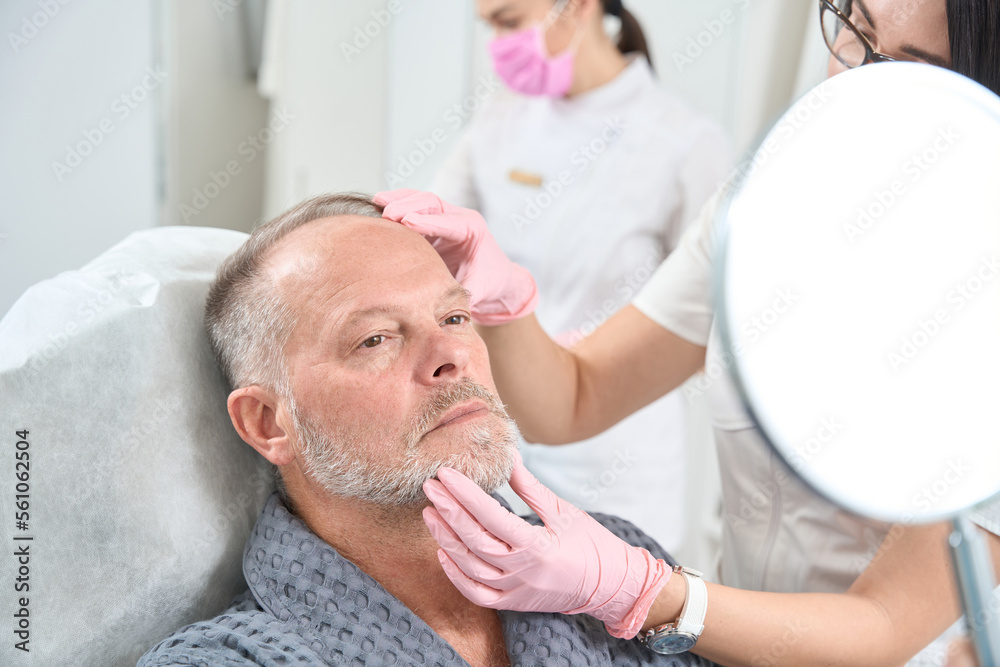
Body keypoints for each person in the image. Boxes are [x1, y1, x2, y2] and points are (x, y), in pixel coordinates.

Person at [371, 0, 1000, 664]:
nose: (853, 81)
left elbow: (879, 626)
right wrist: (505, 301)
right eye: (857, 32)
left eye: (908, 68)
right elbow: (576, 398)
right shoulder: (761, 208)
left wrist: (650, 592)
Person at [137, 193, 715, 667]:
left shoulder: (620, 569)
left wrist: (655, 597)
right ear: (268, 422)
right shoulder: (225, 660)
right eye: (375, 339)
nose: (451, 356)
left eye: (455, 317)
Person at [431, 0, 731, 552]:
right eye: (489, 25)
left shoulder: (684, 143)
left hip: (616, 456)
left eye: (509, 22)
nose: (497, 43)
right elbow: (433, 235)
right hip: (502, 433)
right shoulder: (500, 119)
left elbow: (714, 315)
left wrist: (595, 350)